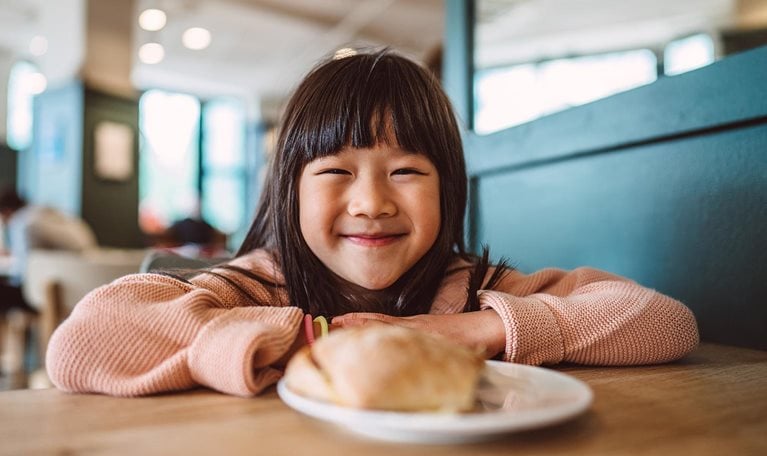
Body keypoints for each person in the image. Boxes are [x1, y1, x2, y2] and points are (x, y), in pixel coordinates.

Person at [46, 50, 699, 398]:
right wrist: (315, 338)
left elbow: (664, 321)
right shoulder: (258, 283)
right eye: (335, 173)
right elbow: (81, 345)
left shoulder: (466, 286)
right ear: (287, 193)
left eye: (407, 172)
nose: (371, 202)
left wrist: (463, 330)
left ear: (448, 187)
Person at [0, 189, 97, 316]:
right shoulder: (51, 213)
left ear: (6, 211)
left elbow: (22, 270)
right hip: (85, 288)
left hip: (52, 295)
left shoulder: (23, 222)